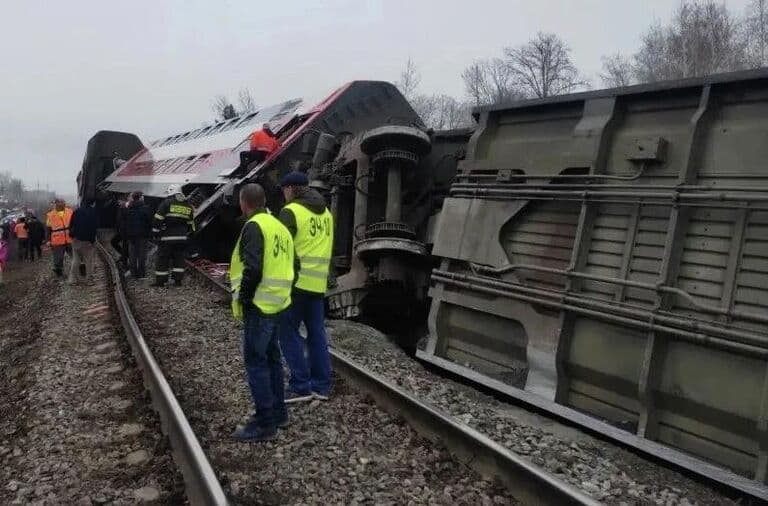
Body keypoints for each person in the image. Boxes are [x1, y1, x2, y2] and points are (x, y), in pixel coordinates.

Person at [229, 183, 295, 441]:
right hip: (278, 303)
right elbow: (294, 265)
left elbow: (253, 268)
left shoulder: (254, 226)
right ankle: (279, 413)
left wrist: (244, 298)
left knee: (256, 363)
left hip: (259, 305)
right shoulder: (279, 226)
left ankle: (264, 423)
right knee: (272, 359)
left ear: (244, 203)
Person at [278, 171, 334, 403]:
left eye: (284, 190)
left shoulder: (290, 211)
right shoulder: (327, 214)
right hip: (318, 285)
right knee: (317, 334)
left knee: (287, 332)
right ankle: (321, 385)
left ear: (290, 188)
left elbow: (281, 248)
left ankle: (300, 385)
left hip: (295, 284)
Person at [152, 185, 194, 287]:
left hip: (167, 238)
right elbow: (190, 224)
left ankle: (160, 281)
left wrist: (155, 233)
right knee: (179, 259)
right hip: (182, 238)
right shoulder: (188, 206)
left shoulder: (166, 203)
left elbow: (158, 219)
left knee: (163, 259)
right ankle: (177, 281)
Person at [68, 199, 98, 285]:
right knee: (88, 261)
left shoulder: (76, 212)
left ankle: (72, 279)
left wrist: (73, 237)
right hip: (87, 241)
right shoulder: (93, 212)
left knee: (75, 260)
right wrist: (92, 240)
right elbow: (94, 227)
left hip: (76, 240)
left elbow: (71, 225)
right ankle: (89, 280)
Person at [125, 191, 152, 278]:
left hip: (131, 236)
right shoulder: (145, 209)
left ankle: (134, 273)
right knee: (142, 255)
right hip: (143, 235)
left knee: (132, 255)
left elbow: (125, 223)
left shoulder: (129, 208)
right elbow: (149, 222)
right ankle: (141, 274)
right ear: (140, 198)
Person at [46, 199, 74, 277]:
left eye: (63, 202)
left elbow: (75, 223)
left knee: (75, 255)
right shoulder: (50, 215)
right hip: (57, 240)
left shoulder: (70, 211)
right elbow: (48, 229)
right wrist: (48, 240)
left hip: (70, 238)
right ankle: (58, 271)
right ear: (56, 204)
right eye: (59, 202)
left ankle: (79, 268)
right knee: (58, 258)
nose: (61, 204)